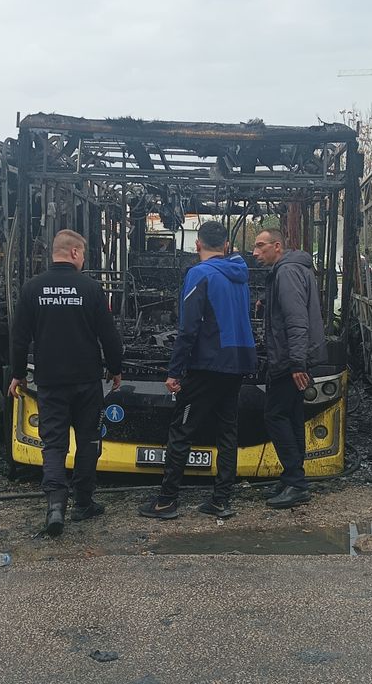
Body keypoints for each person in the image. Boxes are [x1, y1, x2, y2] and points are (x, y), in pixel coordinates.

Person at [138, 221, 257, 520]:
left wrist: (175, 371)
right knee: (227, 431)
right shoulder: (240, 276)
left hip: (208, 364)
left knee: (182, 429)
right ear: (226, 245)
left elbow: (188, 328)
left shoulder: (199, 274)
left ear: (197, 245)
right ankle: (221, 500)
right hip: (237, 362)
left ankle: (166, 501)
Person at [9, 229, 124, 537]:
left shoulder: (32, 288)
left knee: (54, 445)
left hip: (50, 382)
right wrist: (115, 369)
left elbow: (19, 338)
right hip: (87, 381)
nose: (83, 259)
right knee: (88, 441)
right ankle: (83, 503)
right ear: (74, 252)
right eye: (83, 253)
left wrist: (18, 374)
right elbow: (109, 335)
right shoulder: (91, 288)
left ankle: (56, 507)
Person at [251, 228, 327, 509]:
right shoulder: (293, 269)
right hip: (294, 357)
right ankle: (292, 478)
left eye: (260, 246)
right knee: (292, 416)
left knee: (275, 416)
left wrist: (296, 363)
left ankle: (296, 482)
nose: (255, 253)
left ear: (277, 246)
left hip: (288, 360)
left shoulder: (286, 272)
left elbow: (296, 321)